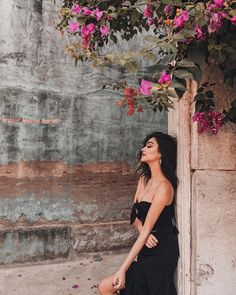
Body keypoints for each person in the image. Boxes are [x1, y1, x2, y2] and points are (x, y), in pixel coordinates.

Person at [98, 131, 180, 295]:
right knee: (104, 287)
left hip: (161, 250)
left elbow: (146, 228)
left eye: (149, 146)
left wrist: (122, 269)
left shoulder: (164, 187)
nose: (143, 148)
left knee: (108, 286)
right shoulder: (144, 180)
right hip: (146, 247)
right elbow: (134, 217)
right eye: (144, 145)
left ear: (161, 153)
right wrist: (144, 231)